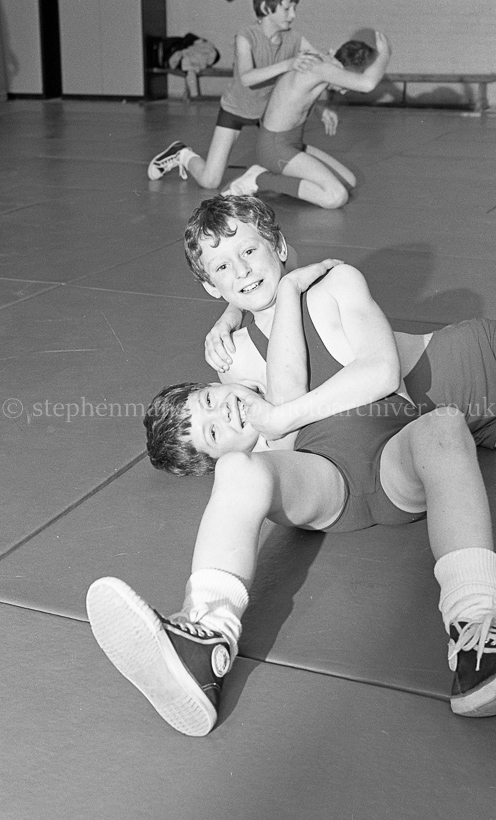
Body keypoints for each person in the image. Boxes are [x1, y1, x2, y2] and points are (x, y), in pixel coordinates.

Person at [86, 239, 496, 739]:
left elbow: (272, 270)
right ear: (209, 458)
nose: (225, 411)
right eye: (212, 432)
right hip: (326, 477)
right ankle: (207, 636)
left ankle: (477, 629)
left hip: (398, 453)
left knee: (446, 425)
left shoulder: (267, 368)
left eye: (212, 399)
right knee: (243, 469)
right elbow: (254, 452)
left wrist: (235, 308)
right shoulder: (265, 452)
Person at [195, 195, 496, 449]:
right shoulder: (231, 357)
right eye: (223, 266)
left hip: (477, 368)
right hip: (444, 435)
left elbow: (383, 374)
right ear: (210, 286)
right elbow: (269, 447)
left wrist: (284, 418)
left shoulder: (334, 285)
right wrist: (233, 309)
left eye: (249, 251)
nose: (242, 270)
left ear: (280, 247)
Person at [147, 0, 319, 188]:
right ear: (264, 9)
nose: (293, 15)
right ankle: (182, 154)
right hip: (235, 109)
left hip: (268, 115)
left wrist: (334, 66)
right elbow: (247, 77)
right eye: (287, 9)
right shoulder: (246, 36)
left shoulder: (295, 38)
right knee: (209, 181)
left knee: (284, 164)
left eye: (295, 9)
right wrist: (287, 64)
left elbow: (320, 63)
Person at [221, 34, 391, 208]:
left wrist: (320, 109)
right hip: (275, 148)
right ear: (344, 68)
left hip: (292, 144)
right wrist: (385, 54)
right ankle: (259, 179)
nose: (345, 91)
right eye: (349, 80)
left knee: (349, 182)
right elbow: (367, 84)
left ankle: (283, 177)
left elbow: (296, 90)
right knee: (336, 197)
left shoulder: (323, 65)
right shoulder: (320, 68)